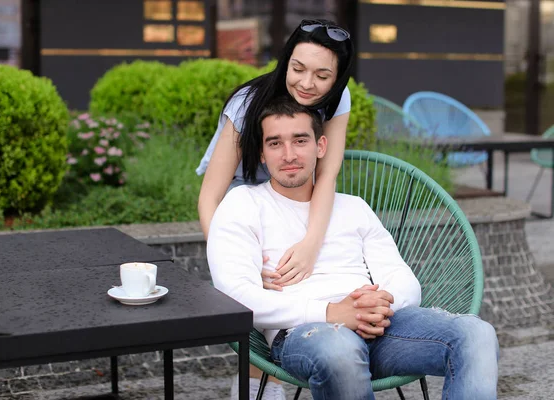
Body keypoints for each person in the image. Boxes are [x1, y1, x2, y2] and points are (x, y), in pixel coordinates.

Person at [207, 97, 499, 400]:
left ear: (321, 146)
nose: (289, 154)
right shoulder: (243, 205)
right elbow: (237, 296)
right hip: (307, 332)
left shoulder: (353, 207)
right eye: (275, 143)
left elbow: (401, 277)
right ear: (262, 154)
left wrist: (374, 309)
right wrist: (332, 312)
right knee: (340, 350)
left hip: (384, 327)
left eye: (300, 140)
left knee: (476, 335)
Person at [197, 19, 354, 399]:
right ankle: (256, 385)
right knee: (257, 292)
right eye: (297, 69)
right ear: (285, 62)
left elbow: (327, 176)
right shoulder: (248, 103)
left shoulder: (338, 101)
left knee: (293, 280)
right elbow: (209, 197)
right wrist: (235, 255)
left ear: (337, 80)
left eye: (321, 75)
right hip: (242, 200)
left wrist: (311, 243)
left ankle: (276, 378)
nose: (306, 83)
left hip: (293, 197)